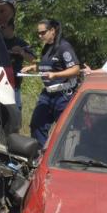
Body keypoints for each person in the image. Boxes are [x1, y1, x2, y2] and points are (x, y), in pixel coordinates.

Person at [23, 19, 80, 147]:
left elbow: (75, 69)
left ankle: (61, 159)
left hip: (63, 95)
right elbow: (48, 66)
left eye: (43, 33)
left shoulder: (64, 47)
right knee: (37, 125)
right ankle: (40, 156)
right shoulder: (47, 48)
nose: (40, 36)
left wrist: (56, 75)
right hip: (47, 94)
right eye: (39, 33)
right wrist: (33, 67)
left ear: (52, 31)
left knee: (64, 130)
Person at [2, 25, 37, 114]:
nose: (1, 29)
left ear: (11, 28)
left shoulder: (21, 43)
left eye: (3, 27)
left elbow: (33, 60)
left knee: (15, 110)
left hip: (15, 82)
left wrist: (21, 52)